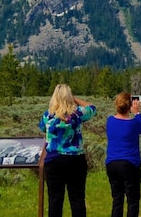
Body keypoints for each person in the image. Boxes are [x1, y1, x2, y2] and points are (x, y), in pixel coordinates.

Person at [39, 84, 97, 217]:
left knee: (55, 199)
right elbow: (93, 108)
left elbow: (42, 128)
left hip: (54, 159)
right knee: (77, 198)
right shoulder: (77, 114)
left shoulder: (48, 115)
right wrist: (75, 100)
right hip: (75, 159)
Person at [105, 92, 141, 217]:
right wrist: (137, 113)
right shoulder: (133, 123)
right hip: (130, 164)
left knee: (117, 199)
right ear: (130, 106)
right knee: (132, 200)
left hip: (112, 163)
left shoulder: (110, 121)